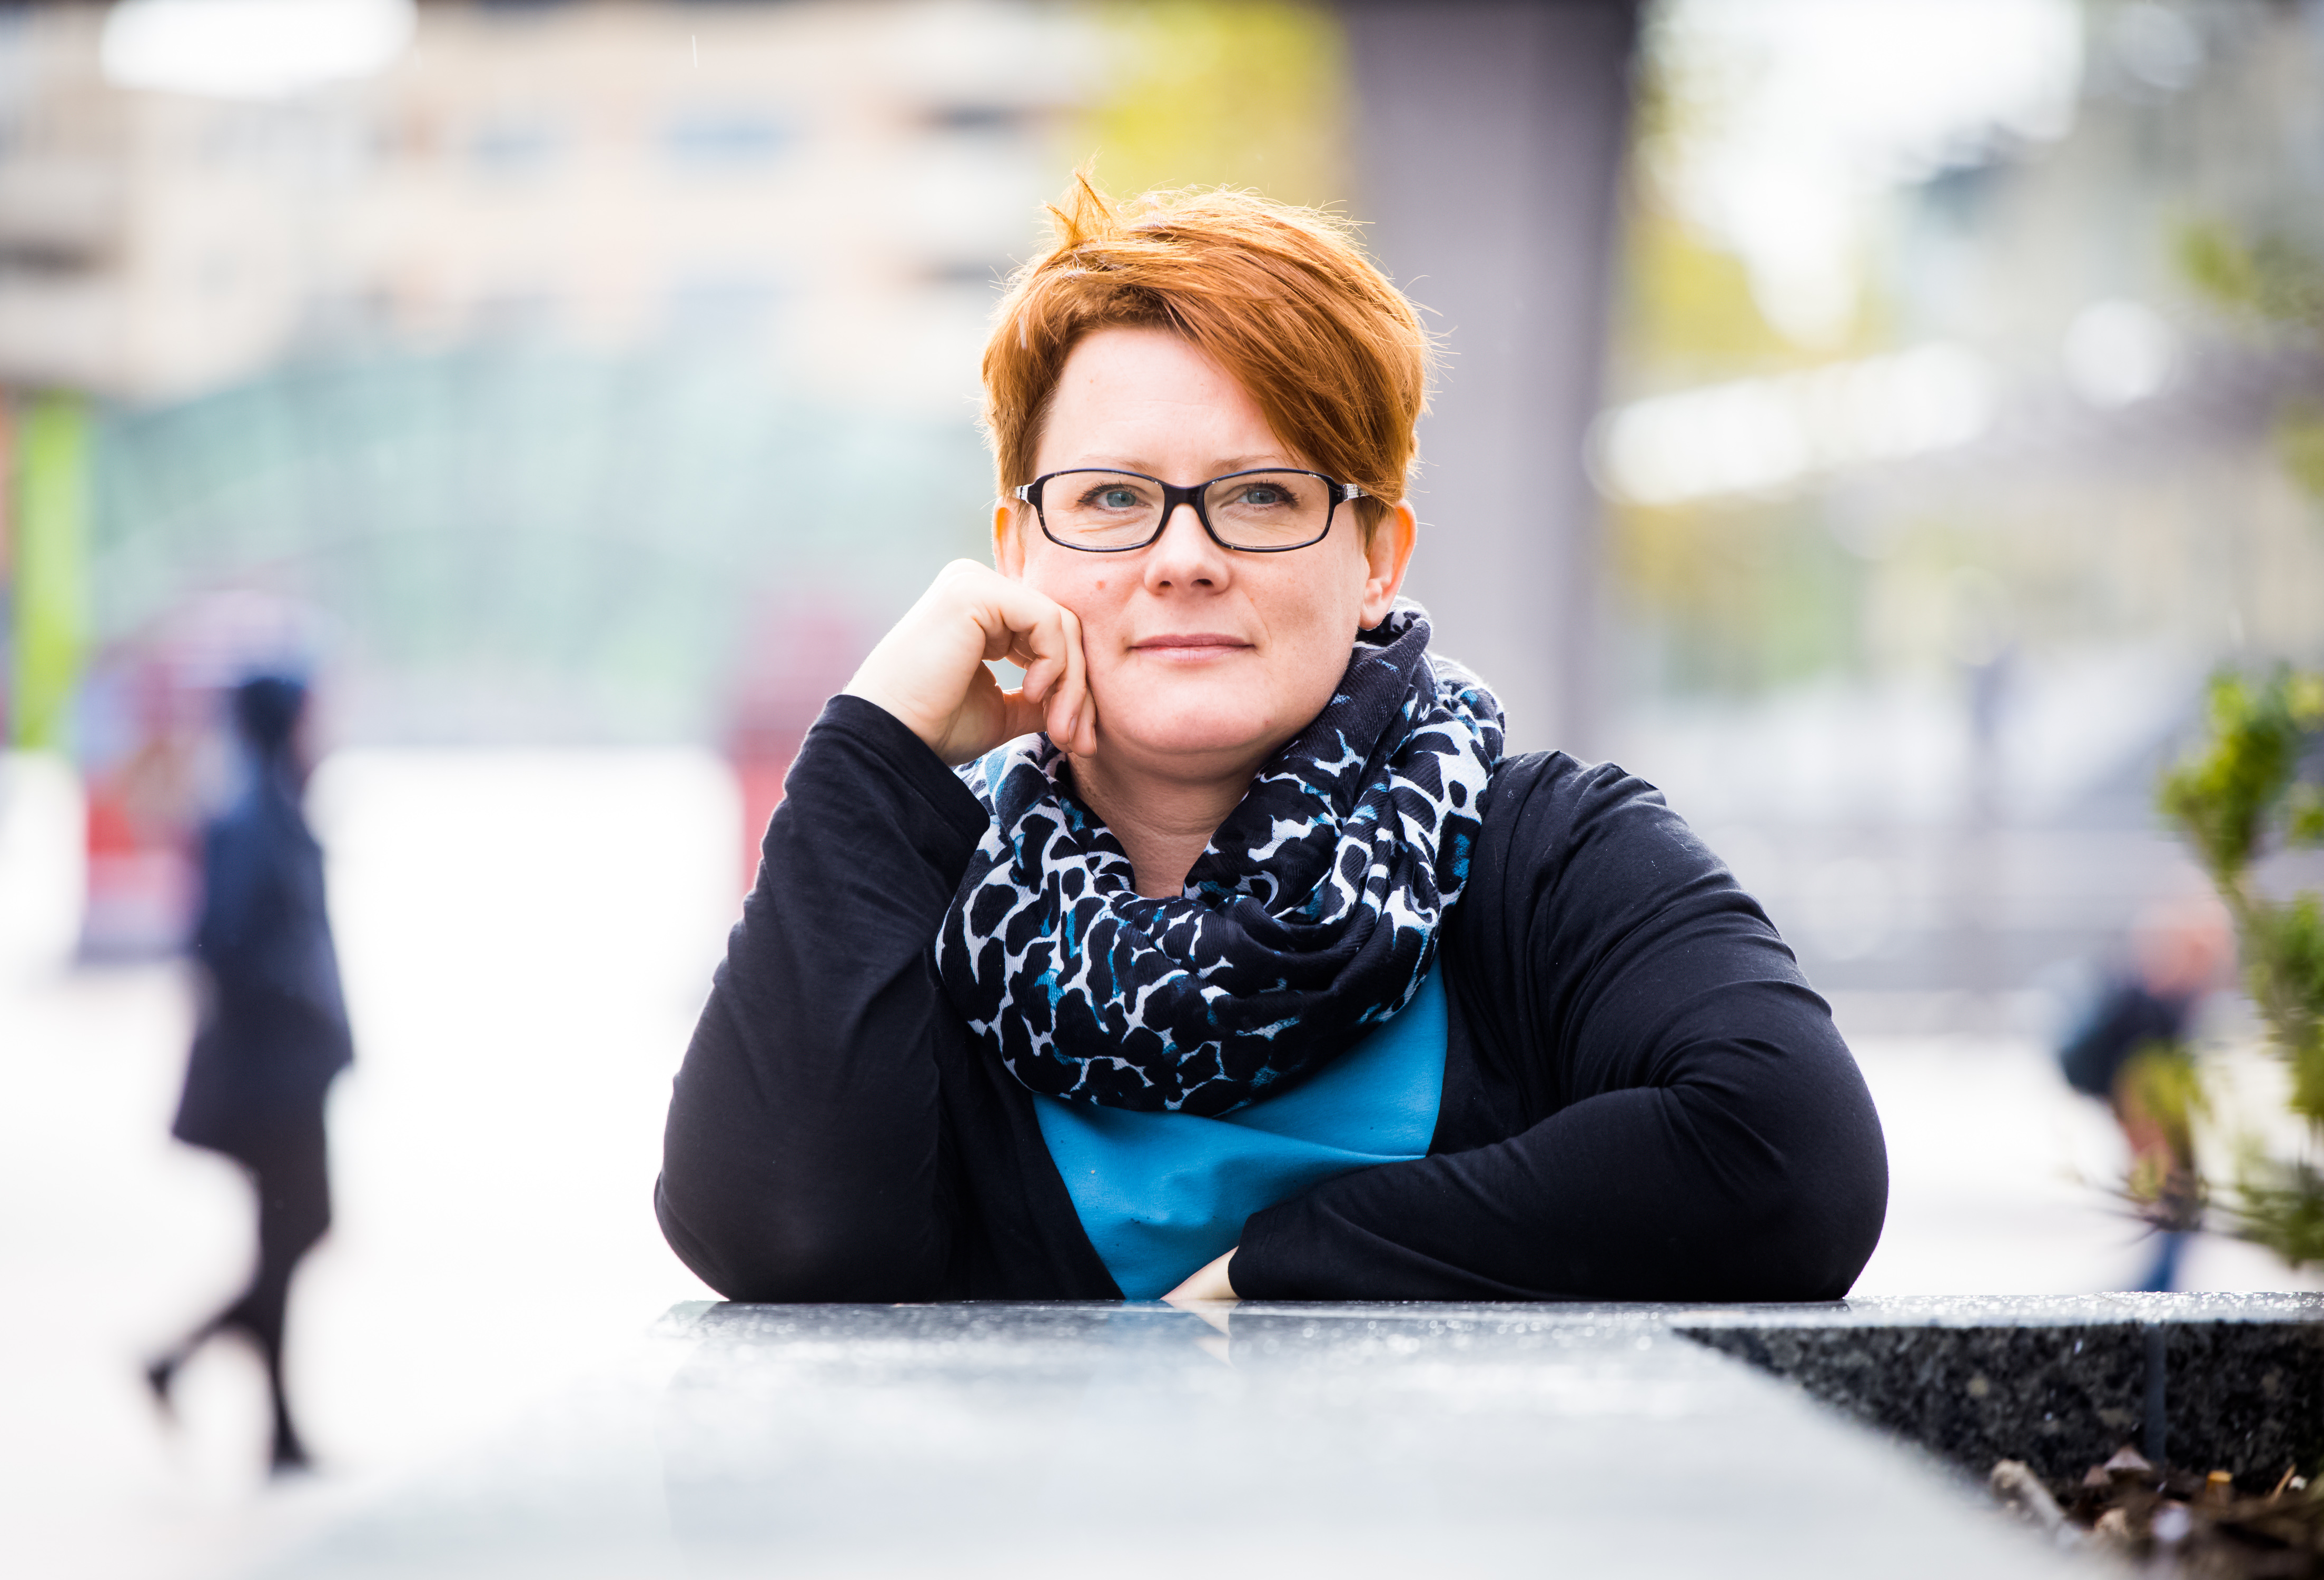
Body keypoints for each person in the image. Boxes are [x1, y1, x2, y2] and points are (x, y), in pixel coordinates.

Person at [656, 179, 1888, 1303]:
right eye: (1110, 499)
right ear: (1019, 549)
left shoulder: (1545, 855)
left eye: (1258, 495)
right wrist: (874, 744)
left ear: (1375, 558)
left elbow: (1787, 1162)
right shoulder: (925, 903)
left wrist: (1276, 1271)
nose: (1182, 557)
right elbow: (774, 1232)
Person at [146, 674, 351, 1470]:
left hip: (286, 1069)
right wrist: (302, 1008)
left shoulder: (272, 806)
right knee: (294, 1234)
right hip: (275, 1076)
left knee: (288, 1238)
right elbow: (223, 943)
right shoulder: (255, 818)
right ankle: (209, 1379)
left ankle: (263, 1419)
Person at [2058, 895, 2231, 1292]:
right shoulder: (2150, 1014)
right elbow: (2140, 1097)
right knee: (2173, 1220)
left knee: (2175, 1226)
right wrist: (2151, 1154)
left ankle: (2150, 1303)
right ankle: (2145, 1309)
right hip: (2153, 1128)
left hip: (2158, 1129)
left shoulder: (2162, 1006)